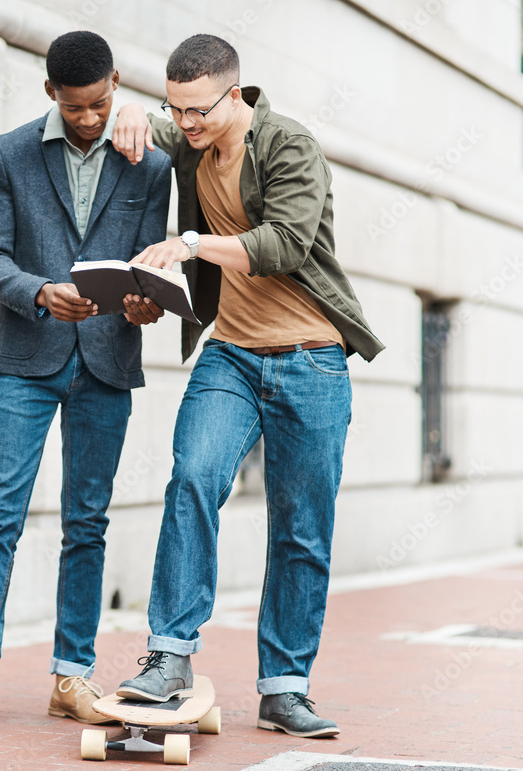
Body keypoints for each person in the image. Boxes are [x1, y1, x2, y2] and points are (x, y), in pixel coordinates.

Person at [110, 34, 384, 738]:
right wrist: (134, 111)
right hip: (230, 354)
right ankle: (169, 655)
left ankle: (285, 687)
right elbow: (147, 127)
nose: (188, 125)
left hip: (311, 359)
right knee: (193, 476)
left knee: (300, 528)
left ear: (236, 95)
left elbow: (285, 244)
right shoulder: (191, 135)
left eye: (198, 111)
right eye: (178, 109)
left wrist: (193, 244)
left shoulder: (291, 145)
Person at [0, 31, 171, 734]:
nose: (89, 118)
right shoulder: (8, 154)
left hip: (107, 361)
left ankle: (72, 675)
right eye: (75, 107)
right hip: (26, 360)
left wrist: (146, 302)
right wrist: (39, 291)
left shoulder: (150, 165)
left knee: (86, 525)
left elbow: (149, 260)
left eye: (98, 104)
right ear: (49, 94)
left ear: (116, 85)